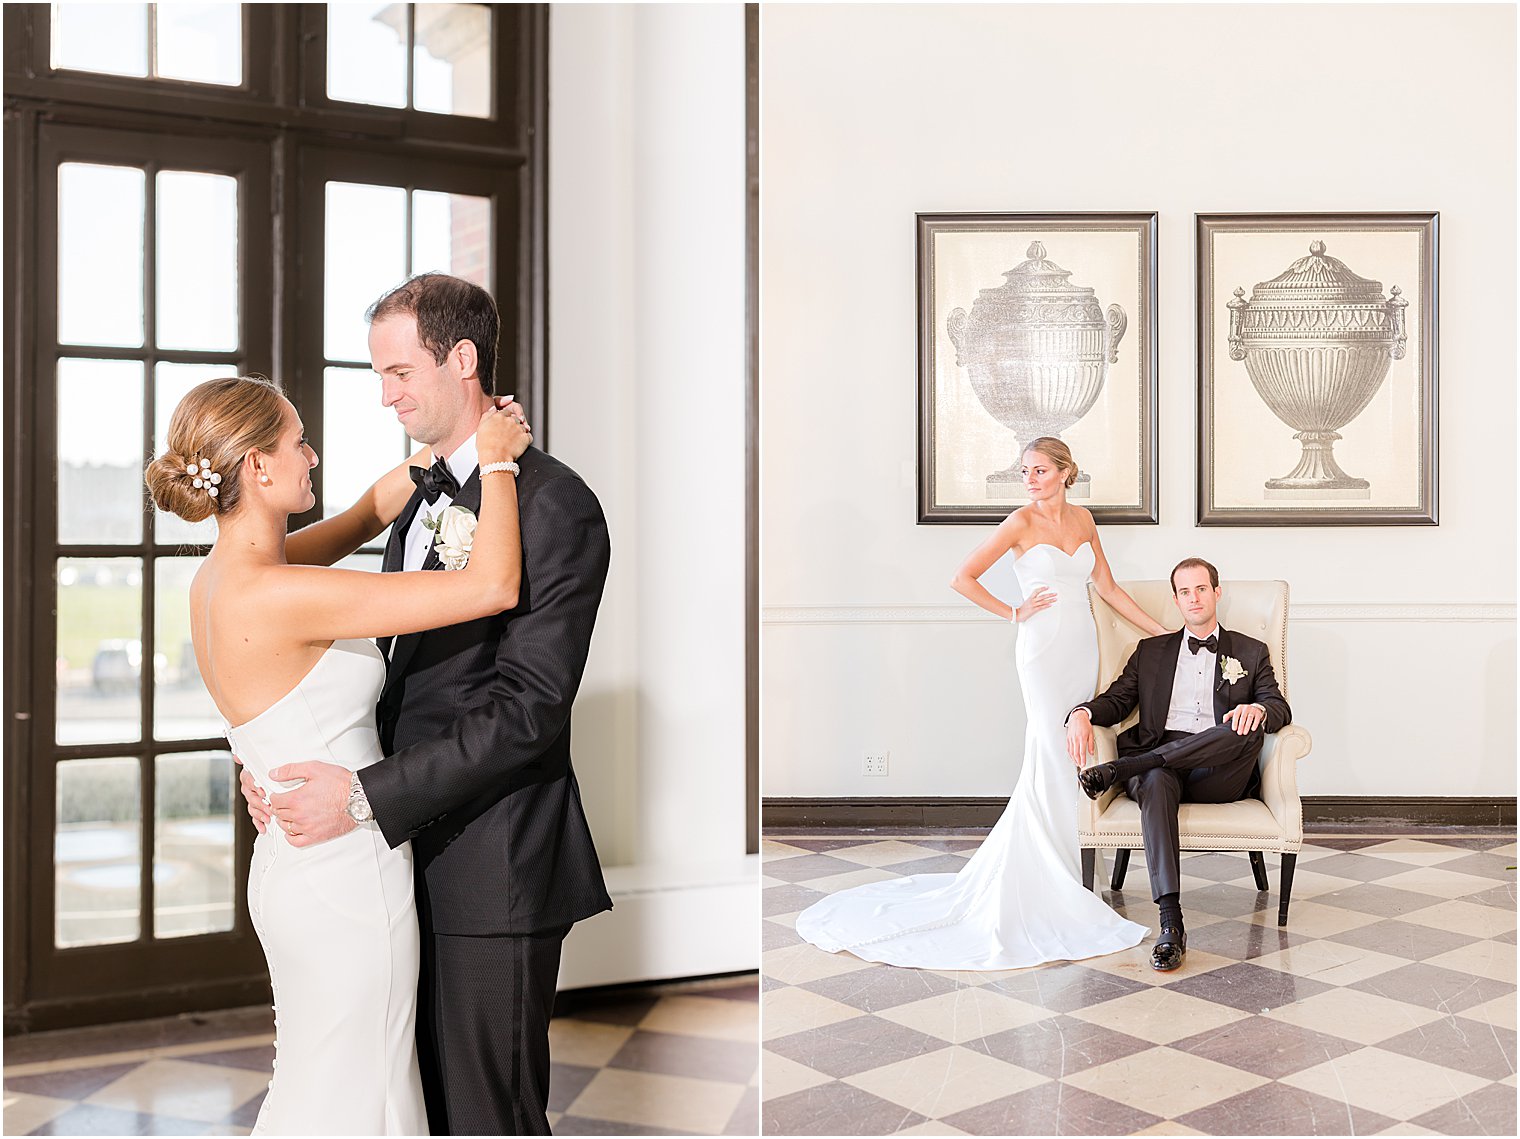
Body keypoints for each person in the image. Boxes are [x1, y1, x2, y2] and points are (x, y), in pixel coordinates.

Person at [239, 272, 613, 1136]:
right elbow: (390, 678)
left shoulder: (555, 503)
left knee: (488, 1116)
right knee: (422, 1108)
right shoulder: (422, 496)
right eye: (380, 374)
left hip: (494, 863)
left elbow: (529, 708)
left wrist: (365, 795)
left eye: (400, 372)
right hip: (400, 858)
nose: (385, 395)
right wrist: (278, 763)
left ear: (464, 359)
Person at [145, 374, 532, 1134]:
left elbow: (360, 515)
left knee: (322, 1086)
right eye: (297, 441)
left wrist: (442, 451)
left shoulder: (220, 577)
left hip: (292, 866)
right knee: (363, 1097)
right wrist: (497, 462)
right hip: (348, 872)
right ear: (256, 465)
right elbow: (494, 585)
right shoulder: (284, 593)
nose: (312, 455)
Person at [794, 438, 1166, 969]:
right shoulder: (1019, 522)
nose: (1030, 479)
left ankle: (1070, 871)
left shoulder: (1083, 520)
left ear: (1066, 473)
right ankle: (1049, 881)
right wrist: (1014, 612)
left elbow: (1106, 586)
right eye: (1025, 471)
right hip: (1040, 650)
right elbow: (961, 577)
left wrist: (1166, 635)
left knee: (1075, 751)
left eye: (1040, 470)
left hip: (1081, 647)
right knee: (1047, 746)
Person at [1066, 557, 1292, 970]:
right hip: (1160, 768)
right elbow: (1117, 701)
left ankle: (1123, 769)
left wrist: (1259, 712)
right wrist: (1080, 712)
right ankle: (1171, 923)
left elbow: (1278, 705)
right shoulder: (1150, 652)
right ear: (1176, 599)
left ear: (1216, 593)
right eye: (1185, 592)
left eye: (1201, 589)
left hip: (1218, 771)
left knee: (1244, 727)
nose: (1194, 598)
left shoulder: (1249, 651)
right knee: (1155, 776)